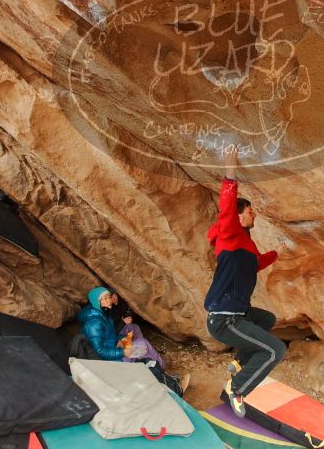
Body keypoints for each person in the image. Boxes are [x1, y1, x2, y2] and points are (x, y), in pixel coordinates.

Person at [204, 149, 286, 418]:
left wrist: (277, 254)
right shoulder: (229, 233)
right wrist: (230, 173)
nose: (255, 215)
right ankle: (237, 390)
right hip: (225, 318)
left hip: (239, 311)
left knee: (267, 319)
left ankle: (239, 362)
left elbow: (257, 263)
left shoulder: (245, 244)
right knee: (275, 350)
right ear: (239, 215)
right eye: (251, 211)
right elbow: (227, 209)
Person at [79, 286, 188, 395]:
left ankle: (164, 374)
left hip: (116, 349)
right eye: (105, 299)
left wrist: (121, 339)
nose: (109, 301)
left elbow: (110, 336)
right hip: (113, 360)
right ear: (96, 302)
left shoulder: (103, 314)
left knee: (143, 348)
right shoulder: (94, 324)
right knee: (143, 348)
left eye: (109, 297)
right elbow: (99, 351)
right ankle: (168, 380)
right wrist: (123, 352)